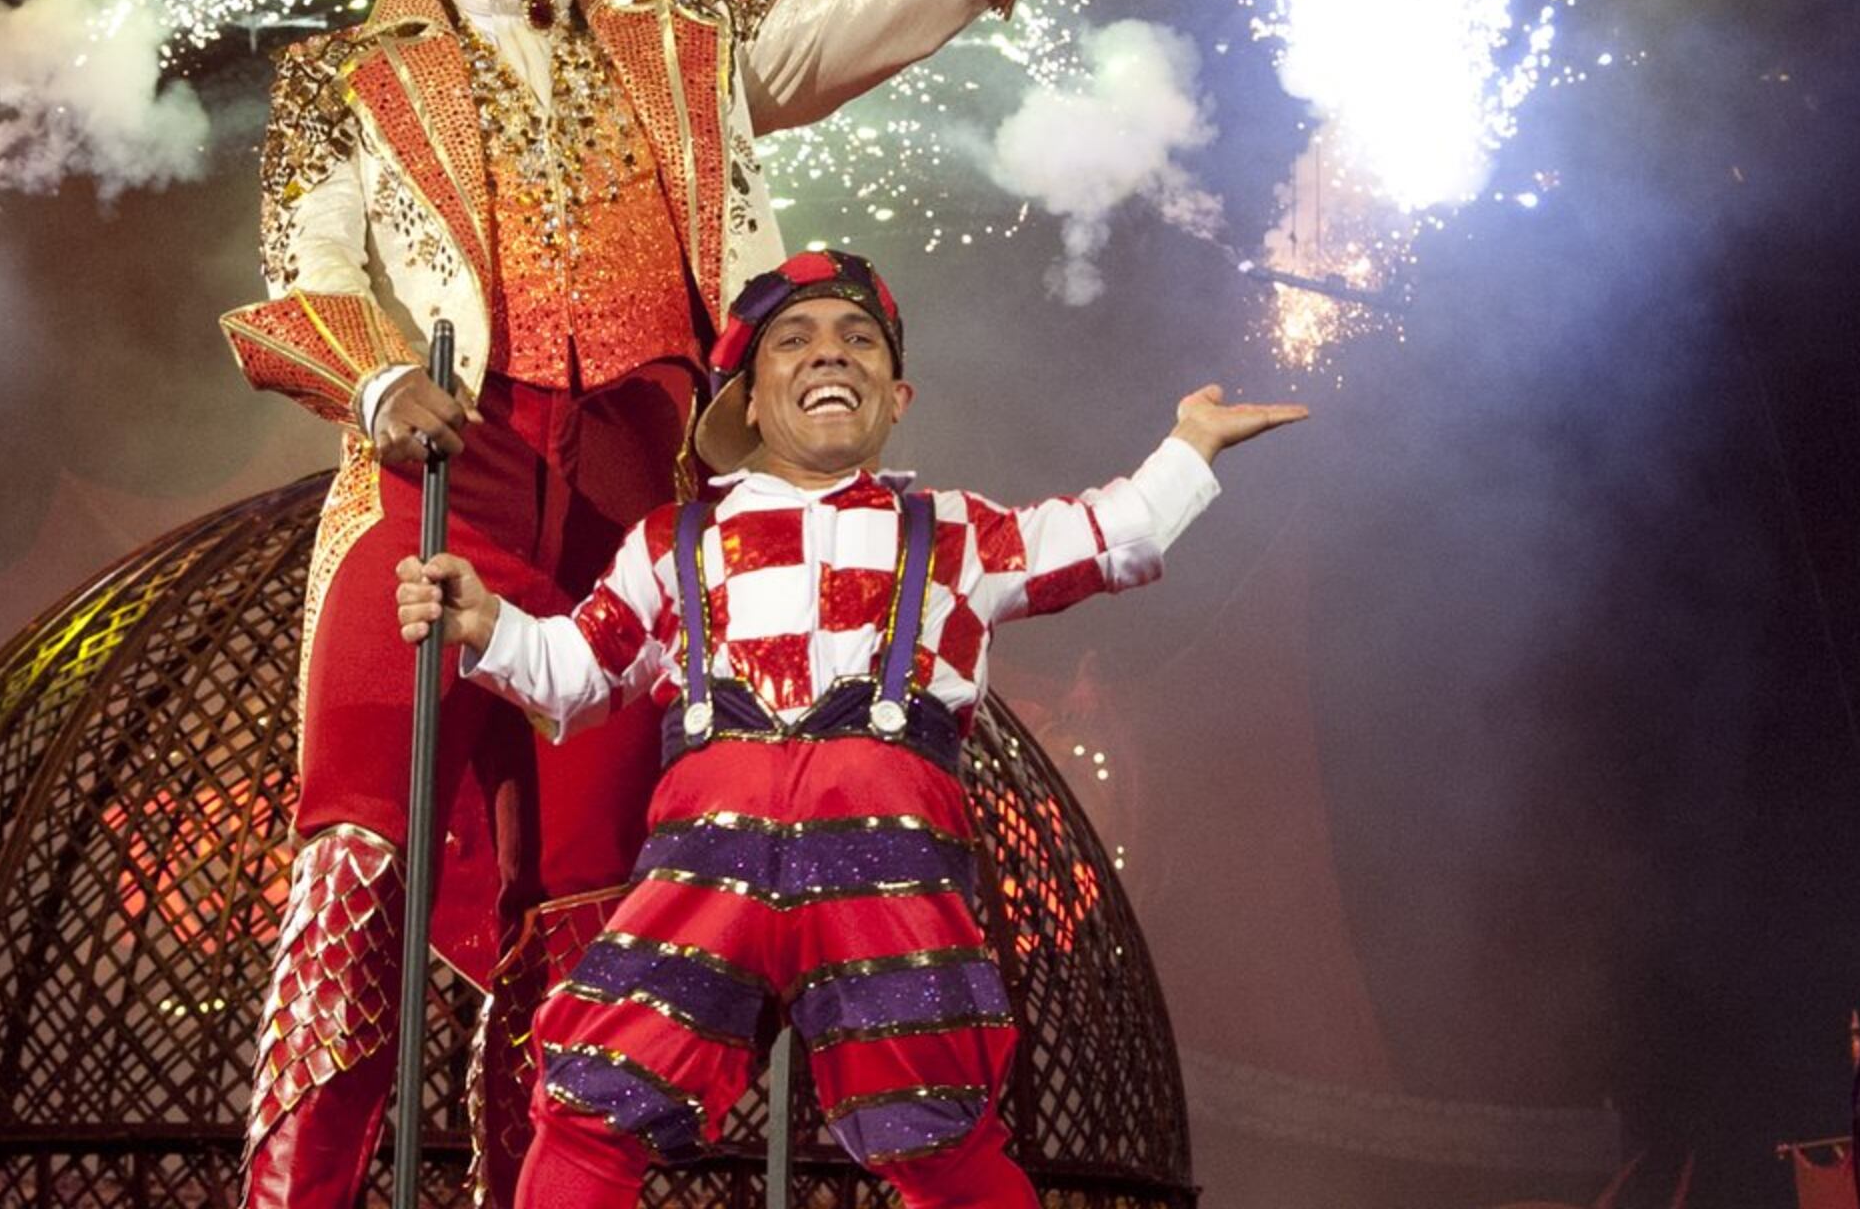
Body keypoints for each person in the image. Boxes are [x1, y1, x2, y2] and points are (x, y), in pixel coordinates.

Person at [219, 0, 1251, 1209]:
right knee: (354, 872)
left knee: (588, 917)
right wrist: (379, 386)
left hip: (641, 518)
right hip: (439, 492)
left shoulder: (687, 45)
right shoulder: (341, 78)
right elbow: (298, 288)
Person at [395, 250, 1306, 1209]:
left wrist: (1191, 445)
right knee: (590, 1105)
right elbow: (578, 670)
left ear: (897, 397)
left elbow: (1111, 534)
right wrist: (485, 624)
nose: (830, 353)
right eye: (794, 340)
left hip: (888, 872)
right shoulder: (673, 541)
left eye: (859, 340)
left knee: (940, 1135)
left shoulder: (956, 534)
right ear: (748, 402)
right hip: (708, 869)